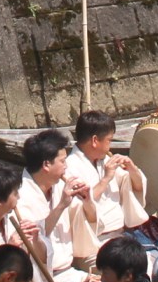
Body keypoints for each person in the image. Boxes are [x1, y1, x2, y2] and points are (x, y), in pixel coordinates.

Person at [62, 109, 147, 264]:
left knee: (150, 266)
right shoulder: (70, 166)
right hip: (93, 245)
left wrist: (131, 168)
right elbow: (81, 204)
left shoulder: (104, 160)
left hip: (120, 237)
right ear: (95, 140)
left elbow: (136, 186)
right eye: (109, 140)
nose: (110, 146)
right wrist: (106, 179)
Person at [14, 128, 78, 282]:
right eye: (62, 161)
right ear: (46, 165)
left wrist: (86, 201)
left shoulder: (57, 185)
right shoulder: (20, 197)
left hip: (70, 270)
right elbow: (35, 240)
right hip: (47, 280)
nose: (66, 167)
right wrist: (62, 206)